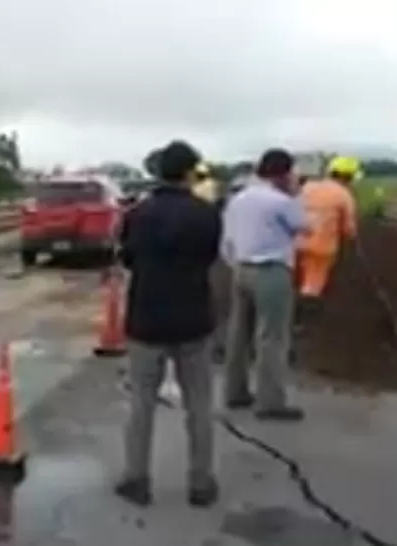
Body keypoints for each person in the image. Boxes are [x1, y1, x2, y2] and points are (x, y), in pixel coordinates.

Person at [114, 140, 223, 508]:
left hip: (146, 320)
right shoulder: (207, 214)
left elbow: (128, 259)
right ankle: (201, 483)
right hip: (194, 319)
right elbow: (210, 258)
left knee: (141, 405)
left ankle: (137, 479)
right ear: (191, 172)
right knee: (200, 405)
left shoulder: (137, 214)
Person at [221, 148, 308, 421]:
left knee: (239, 333)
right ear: (283, 173)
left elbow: (227, 239)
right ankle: (270, 401)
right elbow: (304, 227)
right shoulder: (280, 201)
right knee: (271, 336)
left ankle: (234, 392)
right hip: (271, 270)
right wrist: (295, 195)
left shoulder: (238, 199)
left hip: (241, 269)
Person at [294, 156, 359, 323]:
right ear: (348, 177)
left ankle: (290, 305)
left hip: (296, 241)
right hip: (322, 246)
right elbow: (348, 228)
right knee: (313, 280)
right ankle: (305, 317)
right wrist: (351, 235)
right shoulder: (344, 195)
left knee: (297, 274)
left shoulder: (307, 187)